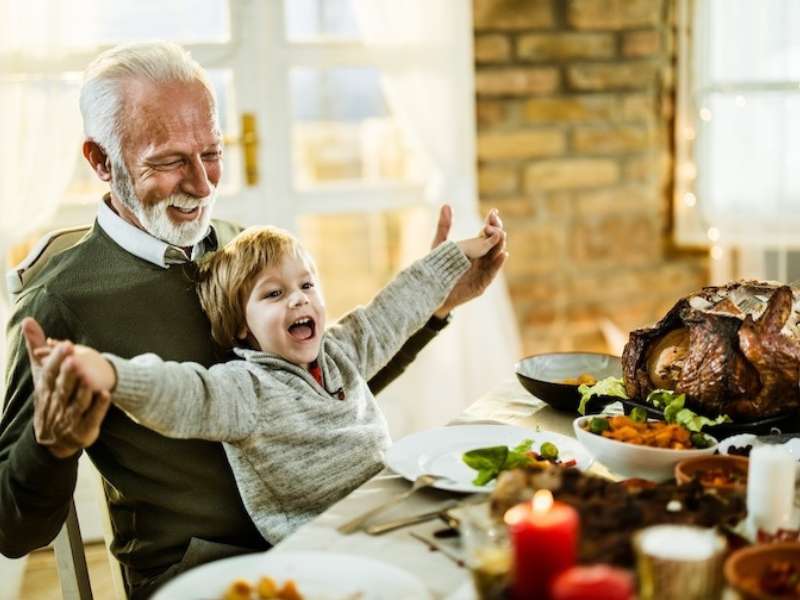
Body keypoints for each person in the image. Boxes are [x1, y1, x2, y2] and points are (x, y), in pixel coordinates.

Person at [0, 41, 507, 598]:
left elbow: (315, 390)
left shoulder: (237, 244)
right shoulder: (61, 304)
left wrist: (436, 306)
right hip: (207, 573)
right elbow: (13, 526)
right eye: (170, 161)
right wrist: (50, 446)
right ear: (101, 161)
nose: (203, 184)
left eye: (211, 152)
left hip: (331, 532)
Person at [28, 221, 503, 544]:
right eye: (273, 294)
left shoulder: (342, 349)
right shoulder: (245, 390)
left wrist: (453, 258)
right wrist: (112, 374)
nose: (298, 300)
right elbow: (183, 394)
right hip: (324, 553)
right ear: (241, 326)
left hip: (394, 517)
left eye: (307, 285)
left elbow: (394, 308)